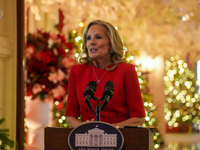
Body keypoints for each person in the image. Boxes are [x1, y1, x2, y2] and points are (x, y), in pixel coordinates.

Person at [65, 20, 146, 128]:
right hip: (86, 138)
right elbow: (70, 117)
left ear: (111, 44)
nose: (91, 42)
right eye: (88, 38)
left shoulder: (126, 70)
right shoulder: (77, 71)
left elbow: (138, 118)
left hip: (120, 138)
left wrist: (111, 129)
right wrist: (83, 128)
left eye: (98, 37)